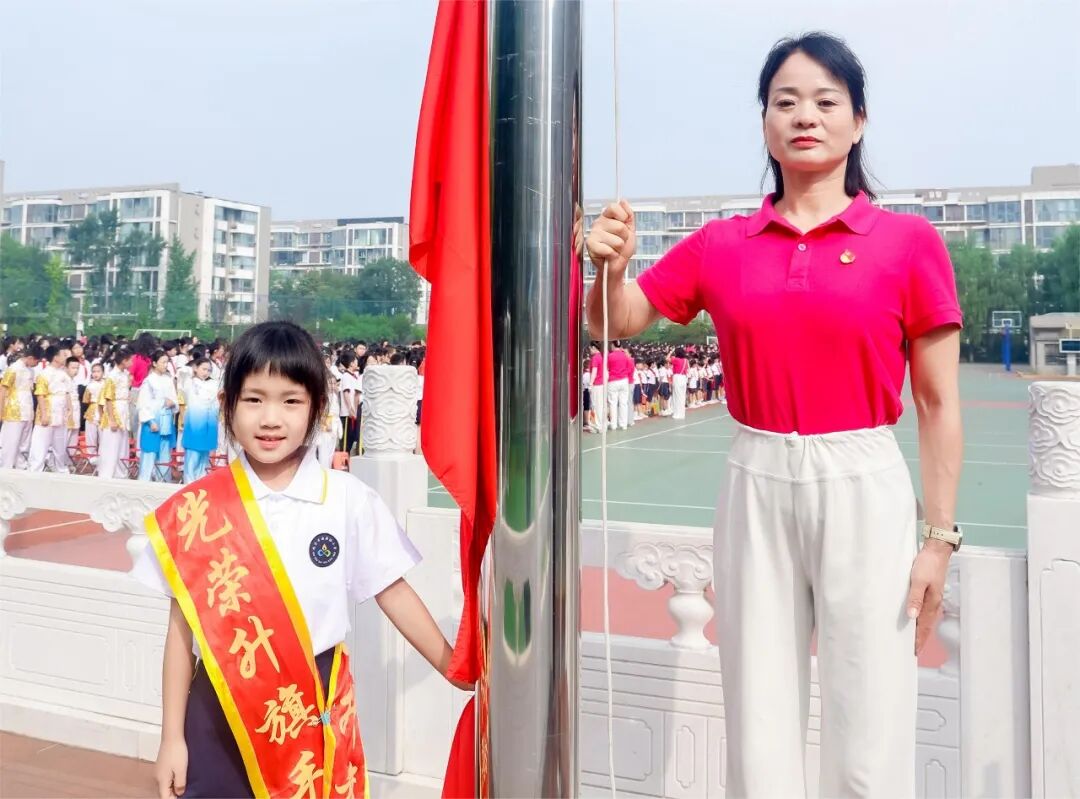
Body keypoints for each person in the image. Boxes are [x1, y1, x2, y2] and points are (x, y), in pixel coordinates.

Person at [584, 32, 963, 798]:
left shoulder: (908, 243)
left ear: (858, 121)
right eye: (785, 102)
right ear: (764, 123)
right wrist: (610, 269)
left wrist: (939, 540)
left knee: (871, 714)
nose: (805, 116)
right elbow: (616, 320)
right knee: (758, 711)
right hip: (756, 471)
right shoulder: (721, 244)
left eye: (826, 101)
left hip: (863, 477)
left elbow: (937, 401)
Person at [131, 321, 468, 799]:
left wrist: (453, 668)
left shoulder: (347, 499)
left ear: (316, 408)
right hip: (220, 707)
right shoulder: (198, 512)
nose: (271, 419)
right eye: (254, 399)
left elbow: (393, 591)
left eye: (291, 401)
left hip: (311, 700)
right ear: (227, 405)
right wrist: (171, 739)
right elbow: (181, 630)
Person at [28, 345, 73, 473]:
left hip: (61, 412)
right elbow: (40, 395)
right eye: (63, 355)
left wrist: (69, 409)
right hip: (48, 410)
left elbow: (67, 392)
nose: (65, 357)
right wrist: (44, 414)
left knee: (60, 444)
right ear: (55, 357)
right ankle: (35, 469)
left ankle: (60, 469)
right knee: (41, 443)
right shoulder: (44, 374)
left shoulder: (63, 374)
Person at [136, 350, 179, 481]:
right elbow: (142, 403)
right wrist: (150, 421)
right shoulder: (149, 381)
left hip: (166, 421)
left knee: (165, 454)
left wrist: (172, 403)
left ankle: (164, 481)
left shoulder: (168, 380)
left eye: (167, 362)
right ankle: (145, 480)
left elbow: (174, 399)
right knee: (149, 452)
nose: (165, 365)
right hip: (153, 422)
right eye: (163, 362)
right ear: (154, 363)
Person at [179, 358, 219, 484]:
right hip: (194, 424)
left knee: (204, 455)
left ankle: (200, 482)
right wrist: (191, 371)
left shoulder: (213, 384)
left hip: (208, 423)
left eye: (208, 370)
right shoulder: (190, 383)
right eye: (203, 369)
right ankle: (189, 482)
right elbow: (182, 373)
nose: (206, 372)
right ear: (196, 368)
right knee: (193, 454)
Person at [97, 348, 135, 480]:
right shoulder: (112, 376)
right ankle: (107, 474)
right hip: (115, 408)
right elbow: (108, 398)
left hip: (123, 408)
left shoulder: (125, 374)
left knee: (122, 445)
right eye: (130, 360)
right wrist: (112, 419)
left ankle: (121, 474)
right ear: (124, 361)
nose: (132, 363)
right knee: (111, 444)